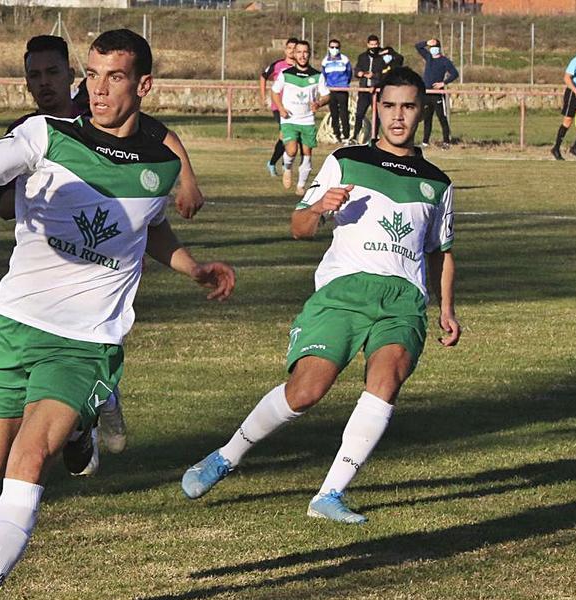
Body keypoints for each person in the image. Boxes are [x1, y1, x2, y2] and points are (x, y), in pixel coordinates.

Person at [0, 29, 236, 600]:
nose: (98, 90)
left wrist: (191, 266)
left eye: (115, 77)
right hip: (14, 325)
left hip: (86, 341)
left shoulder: (158, 162)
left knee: (26, 460)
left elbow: (149, 229)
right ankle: (81, 429)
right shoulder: (47, 135)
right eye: (93, 76)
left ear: (143, 86)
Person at [180, 67, 460, 526]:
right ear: (376, 107)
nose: (398, 116)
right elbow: (298, 228)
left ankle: (330, 494)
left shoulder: (438, 183)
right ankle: (226, 456)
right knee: (306, 392)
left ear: (421, 110)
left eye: (408, 106)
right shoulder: (346, 160)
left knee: (385, 382)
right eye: (389, 105)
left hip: (404, 300)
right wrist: (317, 207)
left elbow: (441, 253)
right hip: (343, 292)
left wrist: (446, 308)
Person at [0, 35, 207, 454]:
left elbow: (159, 133)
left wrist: (187, 178)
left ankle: (95, 400)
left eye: (53, 72)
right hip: (52, 260)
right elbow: (3, 207)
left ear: (70, 76)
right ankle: (87, 410)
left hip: (106, 264)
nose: (44, 83)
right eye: (33, 76)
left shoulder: (97, 114)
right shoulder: (30, 131)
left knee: (87, 341)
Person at [271, 40, 331, 196]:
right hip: (289, 119)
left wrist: (319, 103)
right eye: (299, 52)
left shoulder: (317, 76)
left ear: (309, 54)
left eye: (305, 52)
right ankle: (288, 168)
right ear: (294, 54)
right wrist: (281, 108)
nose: (302, 55)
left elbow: (326, 95)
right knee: (291, 150)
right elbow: (275, 92)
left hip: (307, 120)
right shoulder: (286, 74)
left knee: (307, 153)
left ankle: (301, 185)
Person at [352, 35, 404, 143]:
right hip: (364, 90)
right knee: (359, 114)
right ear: (367, 44)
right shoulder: (362, 57)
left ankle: (374, 137)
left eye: (376, 44)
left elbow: (396, 63)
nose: (373, 46)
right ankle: (354, 137)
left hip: (377, 90)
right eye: (371, 44)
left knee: (377, 115)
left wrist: (375, 76)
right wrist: (359, 73)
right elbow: (357, 69)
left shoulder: (383, 56)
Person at [260, 38, 299, 177]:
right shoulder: (277, 65)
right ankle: (275, 163)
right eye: (289, 48)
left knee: (291, 137)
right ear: (285, 50)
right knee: (285, 134)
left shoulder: (300, 67)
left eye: (295, 48)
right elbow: (263, 76)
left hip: (295, 108)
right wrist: (263, 95)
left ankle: (281, 163)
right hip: (279, 106)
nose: (292, 51)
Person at [414, 38, 458, 148]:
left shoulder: (445, 61)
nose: (433, 50)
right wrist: (427, 42)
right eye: (431, 48)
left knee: (441, 117)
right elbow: (417, 46)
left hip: (437, 94)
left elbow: (454, 74)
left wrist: (443, 83)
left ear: (439, 49)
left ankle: (446, 141)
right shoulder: (428, 57)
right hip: (426, 93)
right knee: (427, 118)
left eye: (435, 47)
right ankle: (425, 142)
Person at [320, 39, 354, 144]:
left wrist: (344, 84)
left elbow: (349, 73)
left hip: (342, 89)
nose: (334, 49)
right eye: (332, 47)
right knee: (333, 113)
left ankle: (346, 135)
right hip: (331, 90)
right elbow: (324, 75)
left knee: (344, 113)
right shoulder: (325, 61)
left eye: (336, 47)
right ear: (329, 48)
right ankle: (336, 135)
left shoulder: (344, 59)